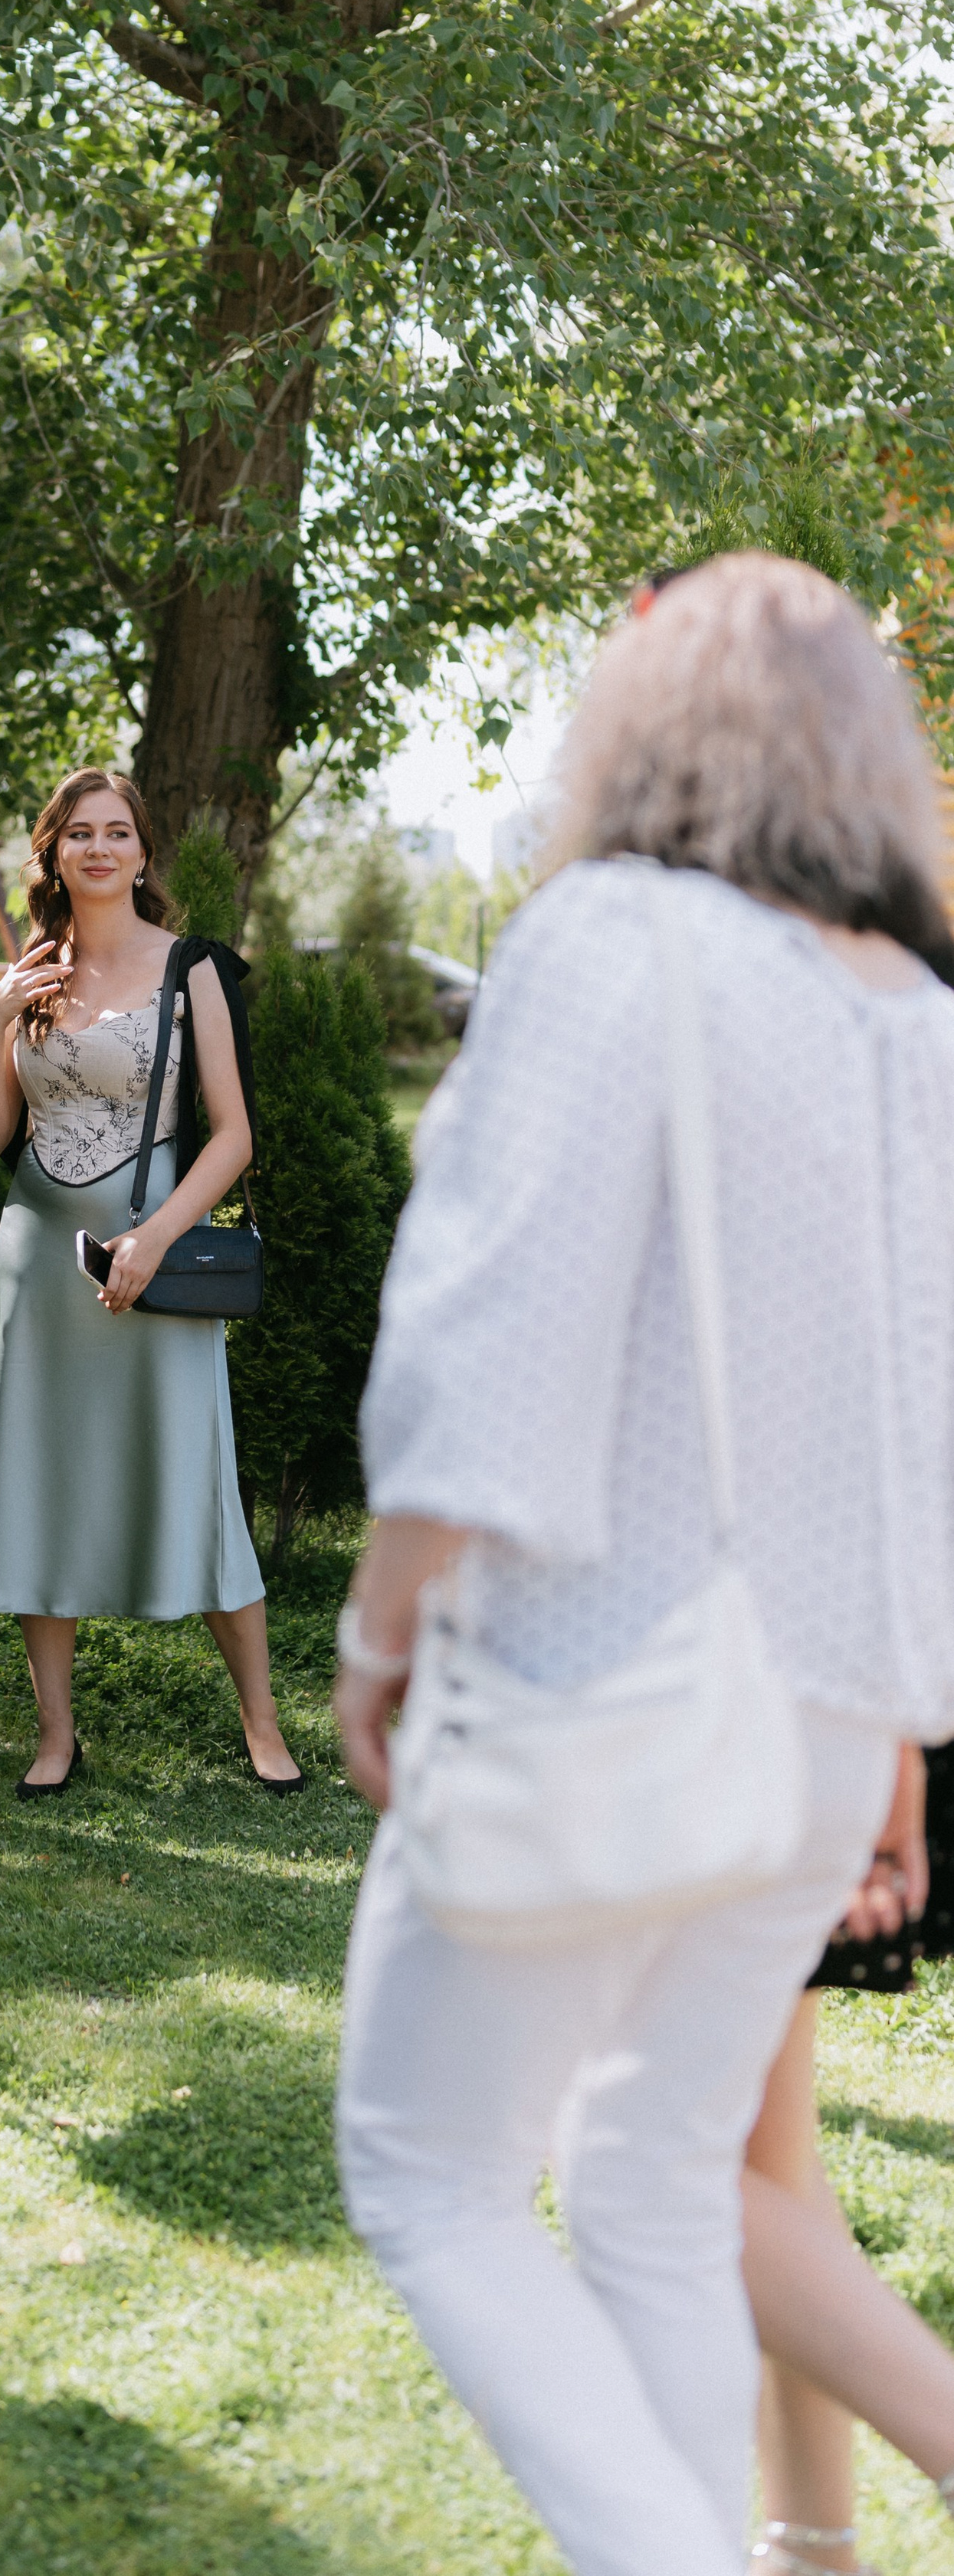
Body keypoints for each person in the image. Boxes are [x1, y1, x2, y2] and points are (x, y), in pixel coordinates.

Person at [331, 553, 954, 2576]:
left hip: (603, 1659)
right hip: (828, 1714)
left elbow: (492, 1322)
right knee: (652, 2179)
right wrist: (902, 1730)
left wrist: (379, 1620)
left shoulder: (612, 937)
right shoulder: (919, 1019)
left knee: (425, 2170)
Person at [0, 768, 300, 1798]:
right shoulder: (30, 973)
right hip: (37, 1259)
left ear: (143, 853)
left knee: (196, 1475)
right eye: (79, 834)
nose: (99, 849)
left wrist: (152, 1239)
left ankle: (263, 1725)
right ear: (53, 853)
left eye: (117, 832)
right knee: (39, 1479)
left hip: (155, 1259)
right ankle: (56, 1735)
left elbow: (233, 1136)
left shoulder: (193, 967)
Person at [741, 1741, 954, 2574]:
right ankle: (809, 2544)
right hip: (795, 1730)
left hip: (790, 1731)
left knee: (649, 2148)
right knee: (764, 2154)